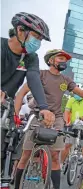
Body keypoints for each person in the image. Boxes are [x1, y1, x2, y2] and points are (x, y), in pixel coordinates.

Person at [10, 49, 83, 189]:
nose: (63, 61)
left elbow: (82, 94)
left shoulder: (66, 80)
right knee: (25, 156)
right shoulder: (40, 74)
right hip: (37, 116)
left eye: (65, 59)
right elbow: (21, 93)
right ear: (50, 60)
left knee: (55, 157)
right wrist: (15, 116)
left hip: (56, 119)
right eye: (60, 58)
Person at [1, 12, 55, 172]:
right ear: (20, 30)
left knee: (6, 149)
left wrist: (44, 107)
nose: (37, 42)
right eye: (35, 36)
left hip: (5, 106)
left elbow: (34, 79)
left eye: (40, 39)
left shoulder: (30, 57)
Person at [61, 86, 83, 164]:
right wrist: (66, 122)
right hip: (73, 125)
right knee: (67, 145)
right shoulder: (72, 100)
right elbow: (66, 111)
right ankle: (60, 163)